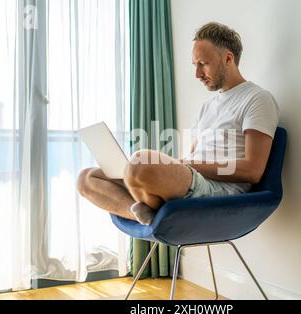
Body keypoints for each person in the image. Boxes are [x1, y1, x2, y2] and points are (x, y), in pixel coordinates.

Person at [77, 22, 280, 225]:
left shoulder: (257, 99)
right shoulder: (207, 107)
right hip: (192, 179)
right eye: (195, 65)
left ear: (228, 58)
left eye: (203, 63)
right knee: (87, 179)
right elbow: (190, 157)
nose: (197, 74)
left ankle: (149, 205)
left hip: (219, 190)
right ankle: (149, 215)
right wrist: (175, 164)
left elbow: (253, 171)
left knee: (139, 164)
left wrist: (185, 164)